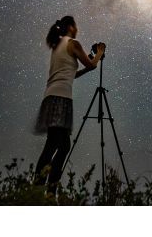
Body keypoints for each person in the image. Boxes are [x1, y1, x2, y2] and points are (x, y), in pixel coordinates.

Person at [32, 15, 105, 194]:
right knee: (60, 145)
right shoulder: (73, 43)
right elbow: (92, 65)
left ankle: (41, 190)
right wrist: (100, 53)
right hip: (61, 99)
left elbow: (71, 73)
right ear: (71, 27)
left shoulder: (57, 46)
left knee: (56, 144)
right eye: (76, 26)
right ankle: (47, 192)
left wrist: (89, 62)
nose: (77, 29)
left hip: (51, 97)